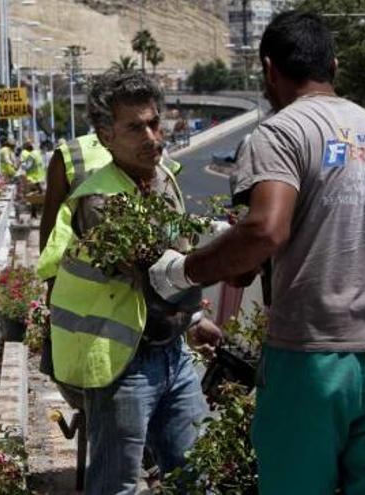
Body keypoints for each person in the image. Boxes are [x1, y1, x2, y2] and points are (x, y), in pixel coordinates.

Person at [148, 11, 365, 494]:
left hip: (312, 356)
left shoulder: (280, 133)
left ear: (268, 69)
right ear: (335, 66)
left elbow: (265, 230)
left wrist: (185, 272)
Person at [50, 71, 222, 494]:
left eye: (154, 123)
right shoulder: (99, 199)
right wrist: (231, 256)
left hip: (172, 355)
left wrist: (194, 319)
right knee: (117, 483)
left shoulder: (163, 178)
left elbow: (177, 249)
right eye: (135, 127)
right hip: (120, 361)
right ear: (106, 137)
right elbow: (158, 272)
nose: (151, 136)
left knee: (194, 474)